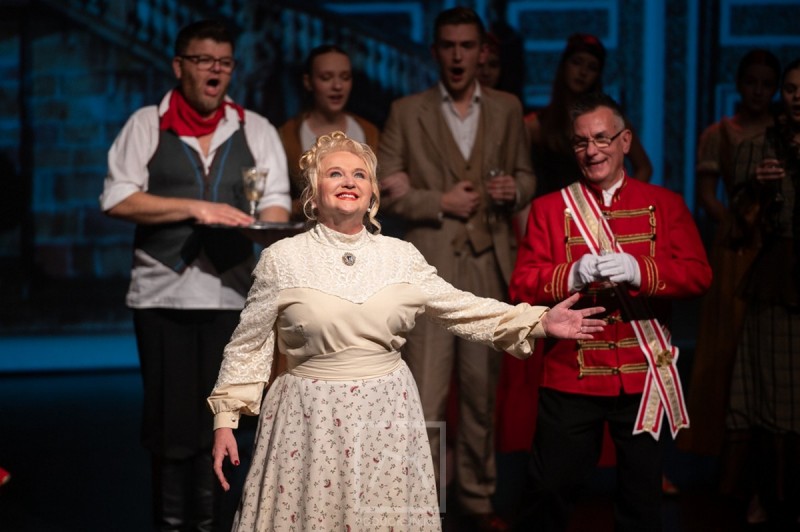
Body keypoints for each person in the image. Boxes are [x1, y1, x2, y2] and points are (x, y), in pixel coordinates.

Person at [206, 131, 605, 531]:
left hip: (386, 410)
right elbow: (248, 345)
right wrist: (226, 418)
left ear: (372, 192)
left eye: (360, 175)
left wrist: (538, 321)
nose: (349, 182)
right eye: (335, 174)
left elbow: (461, 309)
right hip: (308, 416)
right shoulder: (282, 259)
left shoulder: (400, 256)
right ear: (313, 192)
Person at [100, 19, 291, 531]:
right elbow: (117, 197)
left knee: (222, 424)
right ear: (179, 65)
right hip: (163, 295)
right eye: (205, 60)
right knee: (169, 426)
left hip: (231, 295)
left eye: (224, 62)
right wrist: (194, 209)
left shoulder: (255, 127)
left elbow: (276, 203)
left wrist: (261, 225)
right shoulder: (148, 123)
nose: (215, 71)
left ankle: (213, 524)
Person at [509, 92, 712, 531]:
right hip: (572, 375)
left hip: (643, 375)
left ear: (625, 141)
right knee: (547, 491)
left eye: (602, 138)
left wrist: (642, 270)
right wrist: (571, 274)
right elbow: (521, 284)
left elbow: (699, 275)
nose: (592, 150)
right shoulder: (549, 209)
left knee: (642, 502)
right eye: (581, 142)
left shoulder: (666, 203)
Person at [377, 7, 536, 529]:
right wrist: (438, 201)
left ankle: (477, 494)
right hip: (430, 266)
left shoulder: (507, 109)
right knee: (425, 391)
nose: (458, 56)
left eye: (467, 46)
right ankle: (423, 499)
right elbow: (387, 189)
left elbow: (526, 176)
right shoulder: (408, 111)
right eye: (448, 46)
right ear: (435, 51)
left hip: (487, 264)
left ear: (481, 51)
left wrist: (514, 190)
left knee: (480, 392)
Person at [677, 50, 781, 507]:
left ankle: (761, 465)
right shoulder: (719, 134)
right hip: (734, 247)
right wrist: (734, 222)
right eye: (751, 82)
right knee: (724, 347)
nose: (758, 91)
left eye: (767, 84)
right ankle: (718, 459)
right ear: (739, 84)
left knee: (765, 351)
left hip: (774, 248)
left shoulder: (784, 132)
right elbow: (706, 195)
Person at [724, 58, 800, 528]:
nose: (798, 96)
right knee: (770, 393)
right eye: (791, 88)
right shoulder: (758, 147)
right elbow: (735, 224)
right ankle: (767, 495)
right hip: (777, 277)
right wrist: (755, 188)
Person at [525, 33, 652, 199]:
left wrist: (621, 201)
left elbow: (644, 167)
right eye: (576, 62)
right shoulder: (536, 124)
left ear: (598, 75)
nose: (583, 72)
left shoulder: (612, 122)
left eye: (592, 67)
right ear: (564, 65)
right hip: (554, 210)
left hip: (597, 211)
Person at [279, 44, 380, 221]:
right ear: (308, 82)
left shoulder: (369, 132)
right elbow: (276, 197)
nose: (337, 86)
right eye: (326, 78)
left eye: (345, 77)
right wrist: (312, 202)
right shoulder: (288, 134)